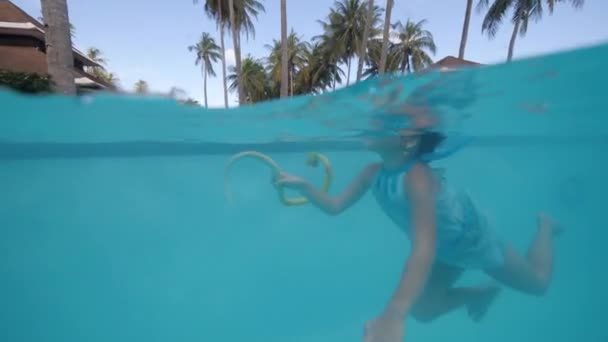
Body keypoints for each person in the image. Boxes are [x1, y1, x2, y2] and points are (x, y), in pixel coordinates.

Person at [274, 128, 561, 342]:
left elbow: (423, 248)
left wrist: (393, 314)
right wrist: (304, 187)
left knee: (538, 284)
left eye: (384, 121)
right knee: (424, 311)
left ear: (408, 139)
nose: (372, 122)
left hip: (473, 242)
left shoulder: (417, 177)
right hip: (444, 251)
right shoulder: (371, 173)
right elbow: (335, 206)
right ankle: (481, 294)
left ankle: (546, 226)